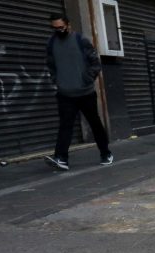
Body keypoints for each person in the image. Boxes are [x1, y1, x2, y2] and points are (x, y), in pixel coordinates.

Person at [44, 12, 112, 171]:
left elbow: (95, 63)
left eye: (61, 27)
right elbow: (51, 66)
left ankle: (105, 153)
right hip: (65, 94)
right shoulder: (51, 43)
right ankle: (61, 159)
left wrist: (86, 80)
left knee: (95, 124)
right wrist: (57, 81)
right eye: (54, 28)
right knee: (65, 126)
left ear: (68, 25)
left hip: (85, 93)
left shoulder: (80, 40)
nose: (58, 31)